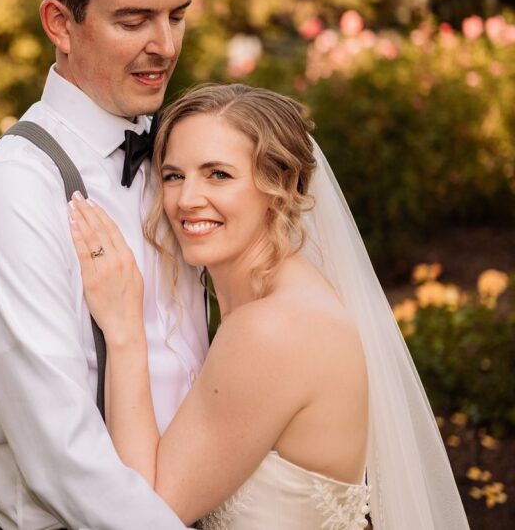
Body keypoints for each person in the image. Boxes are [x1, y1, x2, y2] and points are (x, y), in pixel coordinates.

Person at [68, 83, 469, 529]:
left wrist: (124, 333)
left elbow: (146, 512)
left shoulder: (273, 328)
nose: (186, 199)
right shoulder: (288, 300)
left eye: (218, 174)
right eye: (174, 174)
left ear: (278, 187)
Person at [0, 0, 207, 528]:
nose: (165, 45)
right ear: (60, 23)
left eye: (177, 16)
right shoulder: (17, 189)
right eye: (134, 20)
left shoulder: (179, 158)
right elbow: (59, 454)